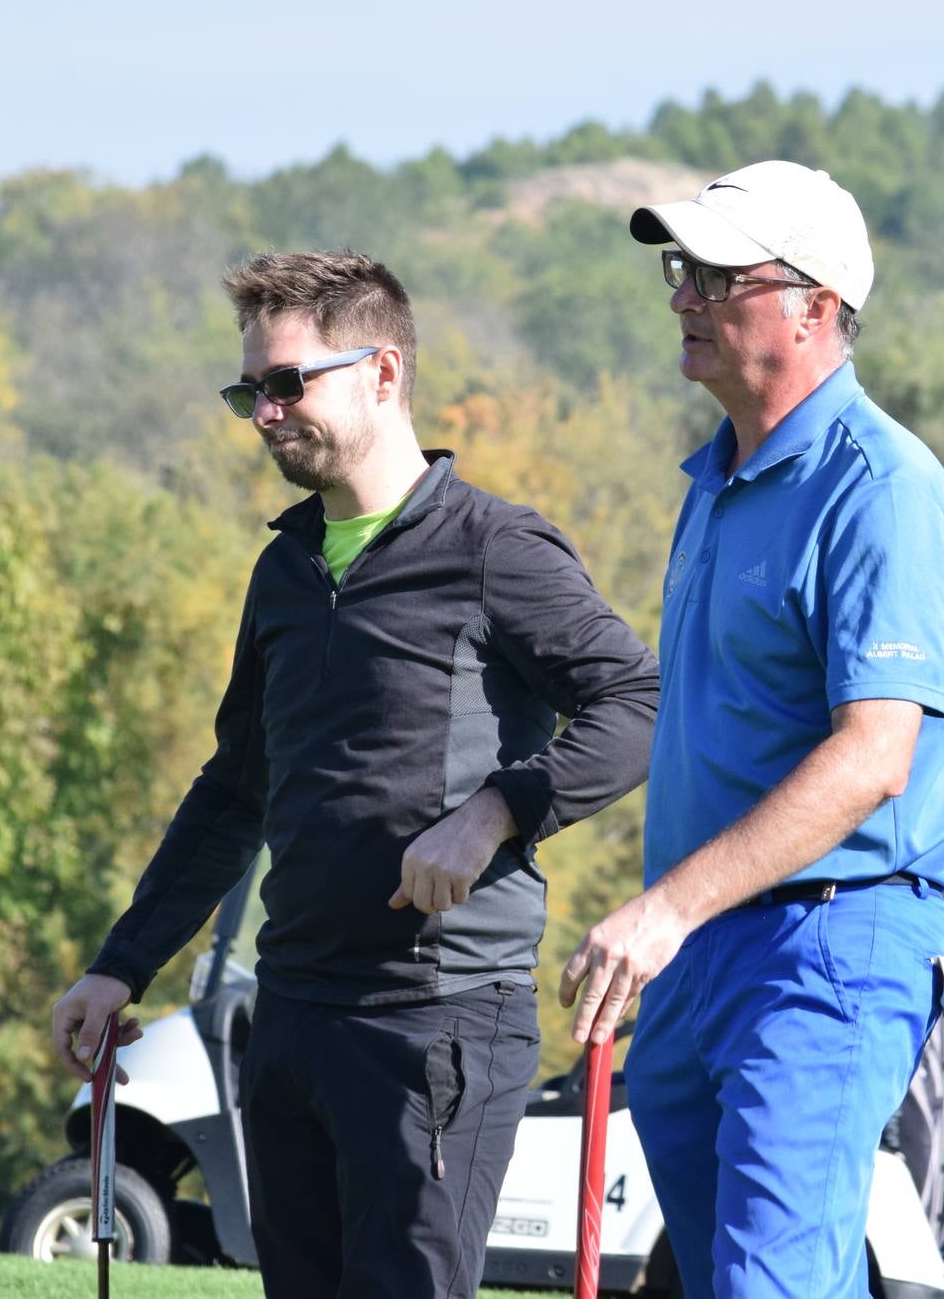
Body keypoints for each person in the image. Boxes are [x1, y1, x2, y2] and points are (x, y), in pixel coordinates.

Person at [51, 250, 659, 1299]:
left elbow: (640, 704)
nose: (264, 413)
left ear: (384, 374)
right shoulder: (284, 569)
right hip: (289, 1015)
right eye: (252, 390)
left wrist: (496, 813)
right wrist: (122, 963)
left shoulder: (495, 550)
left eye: (289, 383)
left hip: (437, 1021)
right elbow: (234, 791)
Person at [558, 163, 944, 1299]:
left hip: (828, 948)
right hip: (705, 954)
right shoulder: (716, 479)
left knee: (763, 1288)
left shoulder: (883, 490)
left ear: (815, 305)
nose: (683, 296)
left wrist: (665, 908)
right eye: (679, 269)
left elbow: (874, 758)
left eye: (717, 276)